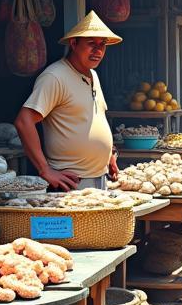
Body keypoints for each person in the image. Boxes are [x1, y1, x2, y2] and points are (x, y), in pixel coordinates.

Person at [14, 11, 122, 191]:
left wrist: (108, 154)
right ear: (74, 43)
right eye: (91, 44)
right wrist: (45, 170)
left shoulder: (93, 75)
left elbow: (91, 119)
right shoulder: (55, 76)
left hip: (100, 178)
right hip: (70, 183)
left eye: (102, 44)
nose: (98, 50)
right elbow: (24, 121)